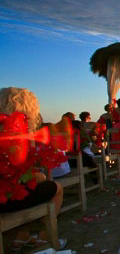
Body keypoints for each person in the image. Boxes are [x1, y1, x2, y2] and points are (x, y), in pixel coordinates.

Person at [0, 87, 66, 250]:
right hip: (4, 198)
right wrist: (40, 176)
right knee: (55, 188)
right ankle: (44, 238)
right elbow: (22, 176)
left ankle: (22, 237)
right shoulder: (16, 135)